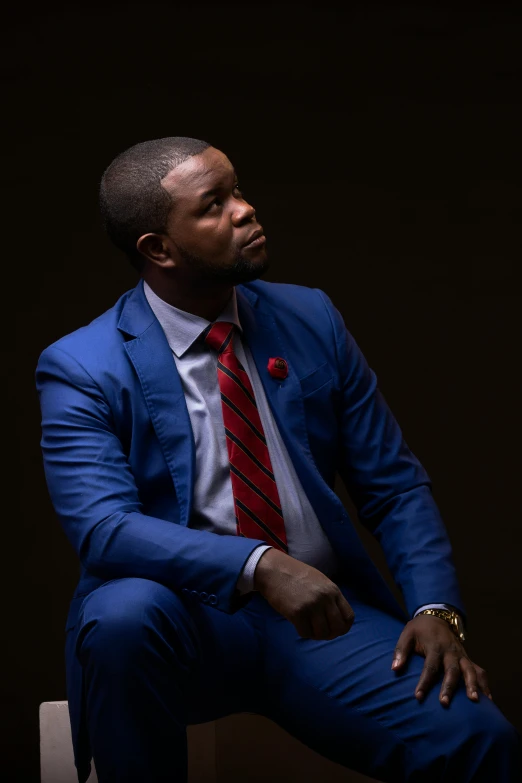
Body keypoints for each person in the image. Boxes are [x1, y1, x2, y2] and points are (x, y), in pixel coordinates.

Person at [36, 136, 520, 783]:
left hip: (320, 623)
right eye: (215, 204)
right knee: (120, 617)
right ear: (158, 248)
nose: (245, 210)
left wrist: (435, 610)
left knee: (479, 738)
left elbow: (395, 486)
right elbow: (104, 528)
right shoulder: (83, 364)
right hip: (180, 626)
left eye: (237, 190)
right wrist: (258, 564)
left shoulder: (310, 316)